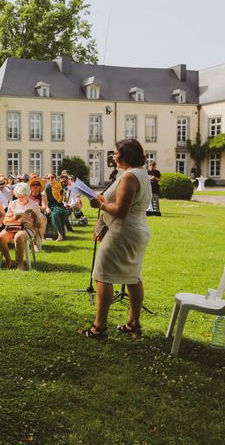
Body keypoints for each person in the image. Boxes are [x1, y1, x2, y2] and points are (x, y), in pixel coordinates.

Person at [84, 139, 152, 339]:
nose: (113, 156)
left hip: (123, 232)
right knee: (133, 276)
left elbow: (121, 210)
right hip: (137, 231)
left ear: (126, 155)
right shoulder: (140, 173)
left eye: (115, 153)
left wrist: (101, 205)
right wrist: (104, 200)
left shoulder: (129, 176)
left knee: (103, 275)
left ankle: (99, 327)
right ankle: (133, 323)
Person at [0, 182, 40, 270]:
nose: (20, 198)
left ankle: (20, 264)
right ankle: (9, 261)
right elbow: (5, 221)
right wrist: (15, 217)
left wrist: (33, 219)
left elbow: (38, 224)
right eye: (18, 196)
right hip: (13, 227)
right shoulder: (13, 203)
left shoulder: (33, 204)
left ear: (27, 194)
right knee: (0, 237)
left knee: (18, 236)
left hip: (28, 228)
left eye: (22, 196)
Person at [45, 173, 67, 241]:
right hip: (50, 206)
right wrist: (47, 207)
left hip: (59, 206)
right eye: (49, 178)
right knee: (45, 214)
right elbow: (45, 200)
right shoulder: (47, 188)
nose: (50, 179)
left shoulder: (60, 186)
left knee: (55, 214)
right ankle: (45, 235)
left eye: (52, 177)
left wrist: (64, 195)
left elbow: (64, 200)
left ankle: (60, 235)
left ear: (55, 178)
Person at [28, 176, 48, 244]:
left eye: (37, 184)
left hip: (39, 214)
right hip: (29, 215)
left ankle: (38, 239)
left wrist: (36, 207)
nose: (35, 186)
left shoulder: (42, 196)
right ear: (30, 187)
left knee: (41, 218)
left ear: (40, 187)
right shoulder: (27, 196)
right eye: (33, 185)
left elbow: (44, 208)